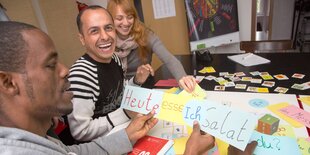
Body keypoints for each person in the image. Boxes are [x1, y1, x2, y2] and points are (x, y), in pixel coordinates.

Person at [0, 21, 216, 155]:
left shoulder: (115, 58)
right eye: (50, 64)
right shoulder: (81, 73)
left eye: (108, 28)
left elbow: (71, 152)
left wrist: (126, 135)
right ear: (8, 83)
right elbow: (81, 132)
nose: (65, 70)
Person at [107, 0, 196, 92]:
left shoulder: (146, 35)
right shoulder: (105, 42)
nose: (126, 23)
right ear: (110, 20)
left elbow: (170, 59)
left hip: (145, 87)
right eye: (119, 18)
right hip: (118, 91)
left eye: (130, 17)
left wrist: (183, 78)